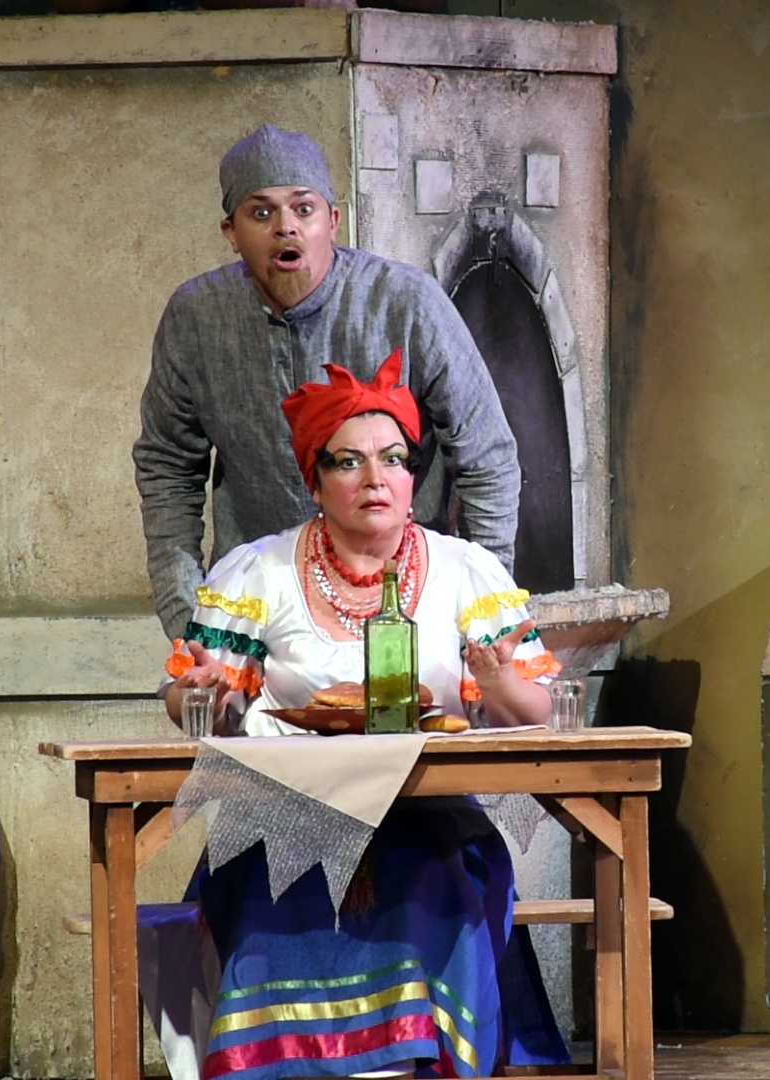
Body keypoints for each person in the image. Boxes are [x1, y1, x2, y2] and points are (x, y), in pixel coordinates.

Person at [160, 350, 568, 1080]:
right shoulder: (260, 570)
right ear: (315, 481)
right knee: (275, 887)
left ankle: (414, 1062)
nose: (375, 479)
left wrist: (497, 679)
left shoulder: (465, 571)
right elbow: (194, 700)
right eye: (348, 462)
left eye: (393, 460)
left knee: (432, 881)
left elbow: (532, 709)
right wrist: (202, 692)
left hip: (430, 813)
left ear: (413, 479)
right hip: (285, 813)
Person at [134, 123, 521, 641]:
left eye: (304, 209)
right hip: (258, 607)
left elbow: (487, 457)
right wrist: (190, 622)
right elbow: (166, 468)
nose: (286, 228)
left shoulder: (407, 302)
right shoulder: (196, 319)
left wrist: (482, 611)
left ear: (333, 221)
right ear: (230, 232)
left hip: (404, 602)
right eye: (262, 213)